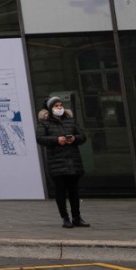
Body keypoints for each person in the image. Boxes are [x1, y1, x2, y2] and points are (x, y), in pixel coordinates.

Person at [36, 95, 90, 229]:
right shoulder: (44, 122)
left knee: (74, 192)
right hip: (57, 163)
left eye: (61, 105)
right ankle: (65, 218)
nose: (60, 108)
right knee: (60, 192)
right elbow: (40, 138)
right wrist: (56, 140)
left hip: (72, 161)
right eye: (56, 106)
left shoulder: (70, 120)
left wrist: (74, 138)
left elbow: (83, 136)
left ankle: (77, 217)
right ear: (50, 108)